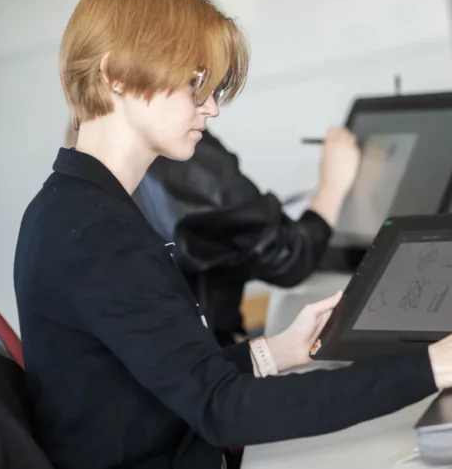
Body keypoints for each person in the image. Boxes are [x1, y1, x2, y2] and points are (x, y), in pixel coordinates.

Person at [13, 0, 452, 469]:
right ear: (115, 77)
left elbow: (169, 375)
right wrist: (432, 367)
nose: (211, 108)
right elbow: (223, 408)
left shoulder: (77, 209)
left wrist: (281, 350)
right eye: (194, 84)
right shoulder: (95, 237)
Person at [130, 125, 359, 345]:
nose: (211, 107)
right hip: (198, 357)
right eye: (192, 87)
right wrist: (332, 186)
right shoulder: (175, 150)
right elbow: (286, 255)